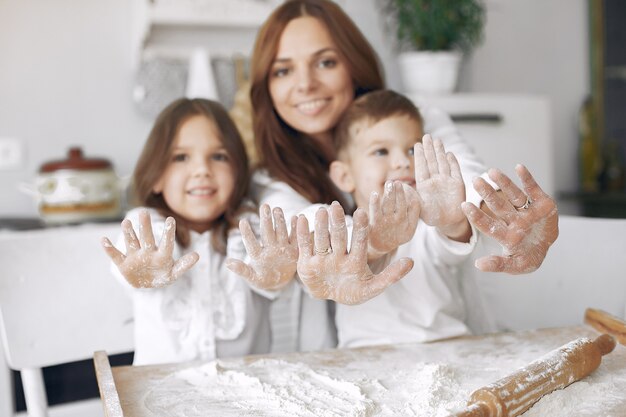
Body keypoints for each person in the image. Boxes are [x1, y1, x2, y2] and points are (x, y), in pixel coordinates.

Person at [237, 0, 558, 352]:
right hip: (346, 357)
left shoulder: (414, 122)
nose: (306, 84)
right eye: (283, 71)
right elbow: (306, 226)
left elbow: (462, 181)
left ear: (353, 64)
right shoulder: (272, 176)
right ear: (265, 86)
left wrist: (509, 218)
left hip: (456, 344)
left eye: (325, 62)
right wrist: (373, 241)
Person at [101, 98, 284, 365]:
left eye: (219, 156)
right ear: (156, 177)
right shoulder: (146, 225)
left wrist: (277, 271)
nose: (202, 171)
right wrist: (144, 269)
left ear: (238, 172)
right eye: (181, 157)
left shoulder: (250, 227)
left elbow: (274, 281)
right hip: (161, 394)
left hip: (246, 394)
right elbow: (132, 262)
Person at [294, 90, 477, 347]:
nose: (403, 162)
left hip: (447, 346)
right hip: (364, 356)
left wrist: (453, 222)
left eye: (413, 150)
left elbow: (453, 248)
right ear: (344, 176)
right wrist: (374, 245)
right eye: (381, 152)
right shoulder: (341, 231)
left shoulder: (429, 226)